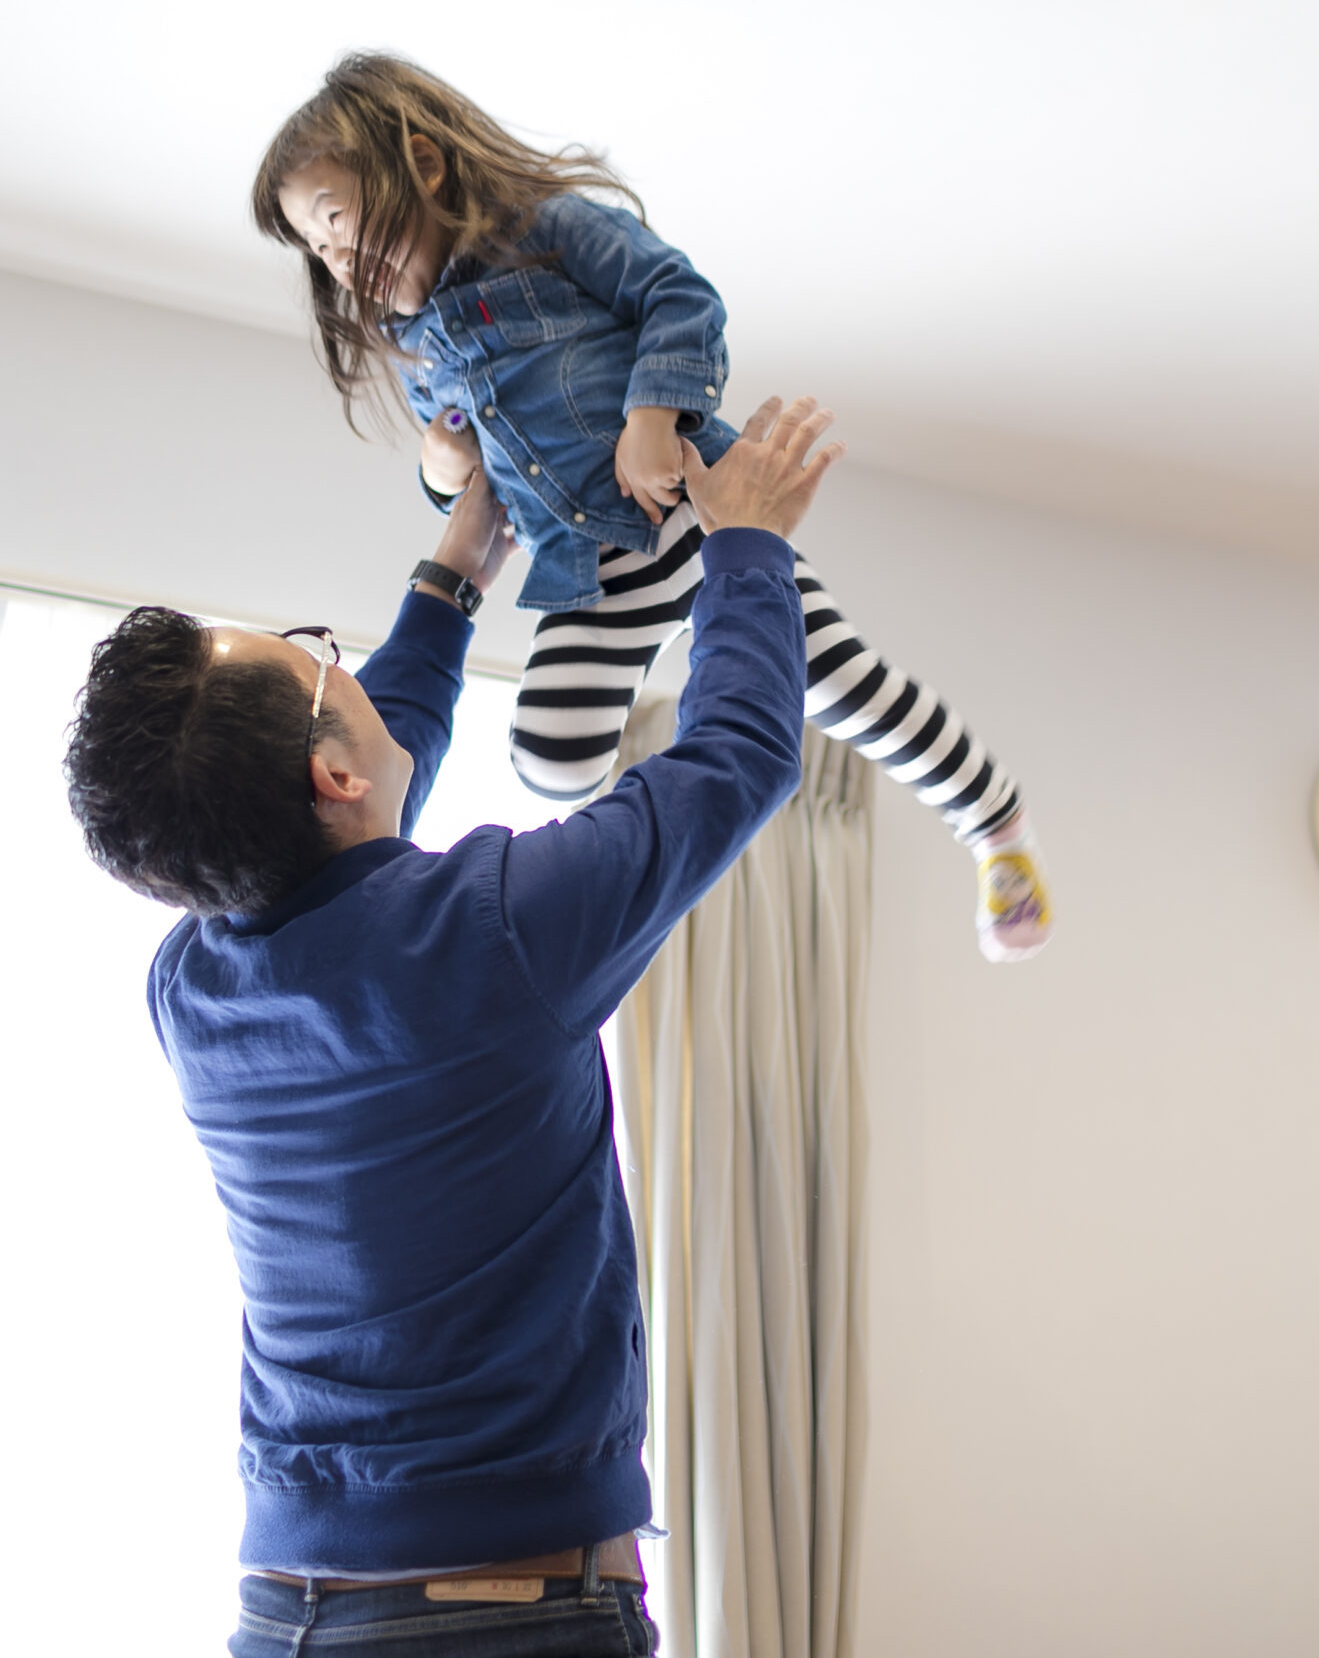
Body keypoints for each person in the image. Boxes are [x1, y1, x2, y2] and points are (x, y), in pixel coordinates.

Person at [63, 394, 840, 1655]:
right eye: (320, 660)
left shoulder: (193, 989)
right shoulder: (496, 932)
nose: (341, 670)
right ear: (330, 771)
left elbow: (360, 786)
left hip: (290, 1605)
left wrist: (456, 569)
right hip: (501, 1618)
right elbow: (734, 760)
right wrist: (746, 543)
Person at [252, 50, 1052, 961]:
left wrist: (650, 413)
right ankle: (688, 790)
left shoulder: (545, 229)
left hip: (704, 524)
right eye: (318, 249)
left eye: (337, 222)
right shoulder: (419, 345)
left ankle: (997, 822)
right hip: (591, 576)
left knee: (853, 693)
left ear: (424, 167)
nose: (337, 261)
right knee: (547, 762)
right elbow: (469, 474)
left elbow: (681, 295)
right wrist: (440, 469)